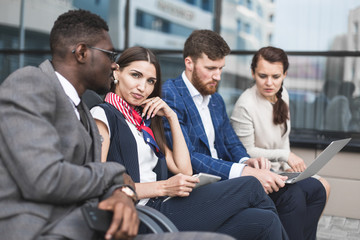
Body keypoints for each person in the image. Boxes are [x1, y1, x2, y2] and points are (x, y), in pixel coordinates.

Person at [0, 10, 230, 240]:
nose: (113, 65)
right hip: (47, 230)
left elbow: (90, 175)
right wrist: (118, 179)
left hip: (101, 224)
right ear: (81, 52)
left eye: (150, 81)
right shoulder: (30, 83)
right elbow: (45, 178)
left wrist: (121, 192)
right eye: (109, 55)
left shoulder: (83, 110)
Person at [91, 46, 288, 240]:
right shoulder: (103, 115)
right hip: (142, 214)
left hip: (165, 205)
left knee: (265, 220)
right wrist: (165, 187)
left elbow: (183, 170)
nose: (143, 87)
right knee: (251, 185)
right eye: (135, 75)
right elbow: (100, 184)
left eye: (150, 81)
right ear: (117, 71)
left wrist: (171, 116)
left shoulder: (144, 120)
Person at [162, 30, 327, 240]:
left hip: (226, 179)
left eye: (221, 68)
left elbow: (232, 143)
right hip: (201, 187)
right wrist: (242, 171)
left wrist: (246, 160)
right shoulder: (171, 94)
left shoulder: (215, 99)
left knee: (315, 189)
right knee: (290, 195)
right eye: (211, 68)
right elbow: (190, 156)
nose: (218, 76)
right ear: (189, 63)